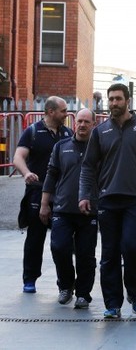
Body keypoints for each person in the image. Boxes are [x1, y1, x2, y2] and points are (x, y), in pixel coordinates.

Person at [79, 83, 136, 319]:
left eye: (118, 99)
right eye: (111, 99)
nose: (114, 103)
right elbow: (87, 166)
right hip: (107, 200)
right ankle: (112, 304)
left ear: (128, 101)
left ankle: (135, 294)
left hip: (134, 200)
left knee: (131, 247)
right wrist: (84, 195)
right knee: (109, 254)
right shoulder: (100, 131)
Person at [13, 96, 72, 293]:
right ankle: (29, 279)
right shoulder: (33, 132)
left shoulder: (67, 133)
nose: (66, 114)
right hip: (37, 193)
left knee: (63, 241)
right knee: (35, 238)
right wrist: (26, 173)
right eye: (63, 111)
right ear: (50, 111)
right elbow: (18, 157)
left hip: (62, 194)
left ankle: (64, 282)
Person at [39, 108, 97, 308]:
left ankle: (83, 294)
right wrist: (45, 204)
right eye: (79, 121)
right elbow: (51, 175)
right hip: (62, 209)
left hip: (89, 211)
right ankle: (65, 285)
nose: (82, 125)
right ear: (74, 123)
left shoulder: (99, 148)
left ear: (93, 125)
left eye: (86, 122)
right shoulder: (61, 147)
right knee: (59, 247)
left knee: (85, 255)